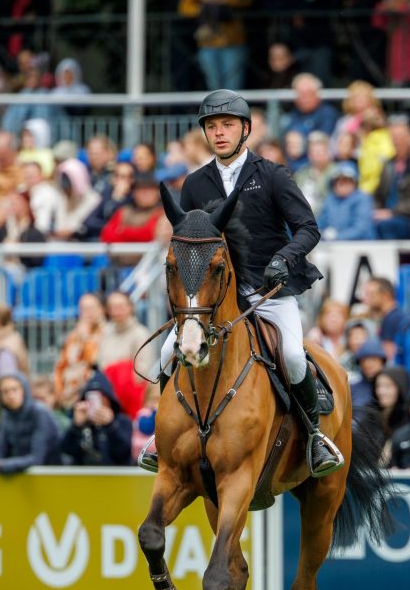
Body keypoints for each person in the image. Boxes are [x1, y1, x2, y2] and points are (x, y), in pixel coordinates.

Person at [146, 89, 342, 476]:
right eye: (212, 127)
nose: (219, 133)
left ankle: (315, 437)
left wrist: (284, 259)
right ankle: (162, 436)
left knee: (289, 354)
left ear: (245, 129)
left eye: (227, 125)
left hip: (269, 292)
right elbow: (190, 245)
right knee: (168, 352)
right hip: (215, 299)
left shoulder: (271, 175)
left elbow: (308, 228)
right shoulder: (195, 184)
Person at [0, 374, 63, 474]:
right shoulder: (6, 416)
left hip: (52, 476)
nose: (10, 395)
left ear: (24, 391)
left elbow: (37, 458)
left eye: (14, 389)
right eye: (5, 391)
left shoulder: (40, 413)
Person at [178, 0, 252, 92]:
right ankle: (217, 110)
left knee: (233, 87)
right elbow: (185, 7)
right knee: (213, 86)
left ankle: (231, 111)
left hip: (232, 41)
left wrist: (222, 0)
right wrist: (206, 8)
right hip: (208, 41)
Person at [63, 371, 133, 466]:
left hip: (114, 479)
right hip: (83, 478)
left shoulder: (122, 421)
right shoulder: (79, 420)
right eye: (91, 398)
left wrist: (110, 426)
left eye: (101, 397)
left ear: (109, 399)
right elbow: (67, 451)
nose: (96, 403)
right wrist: (76, 427)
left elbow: (124, 454)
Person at [53, 292, 105, 407]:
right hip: (69, 394)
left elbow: (93, 362)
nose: (87, 313)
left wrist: (85, 339)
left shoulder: (107, 333)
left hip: (93, 391)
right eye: (83, 309)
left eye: (91, 308)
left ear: (101, 310)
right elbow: (62, 364)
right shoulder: (74, 336)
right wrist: (59, 390)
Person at [95, 291, 151, 375]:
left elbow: (143, 369)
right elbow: (100, 362)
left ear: (130, 307)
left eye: (120, 307)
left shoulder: (140, 333)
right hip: (106, 384)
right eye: (112, 307)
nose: (116, 311)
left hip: (129, 385)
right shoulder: (105, 331)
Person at [317, 163, 374, 240]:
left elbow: (361, 228)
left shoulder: (362, 198)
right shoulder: (330, 200)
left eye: (348, 182)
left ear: (354, 183)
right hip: (333, 246)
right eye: (340, 182)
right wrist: (320, 233)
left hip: (361, 246)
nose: (344, 186)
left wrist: (337, 236)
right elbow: (321, 222)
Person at [362, 277, 408, 362]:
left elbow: (389, 356)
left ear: (385, 296)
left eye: (371, 295)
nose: (365, 299)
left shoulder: (392, 320)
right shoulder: (395, 316)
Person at [350, 338, 387, 409]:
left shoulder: (392, 386)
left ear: (382, 361)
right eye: (364, 360)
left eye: (373, 359)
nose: (368, 364)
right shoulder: (352, 389)